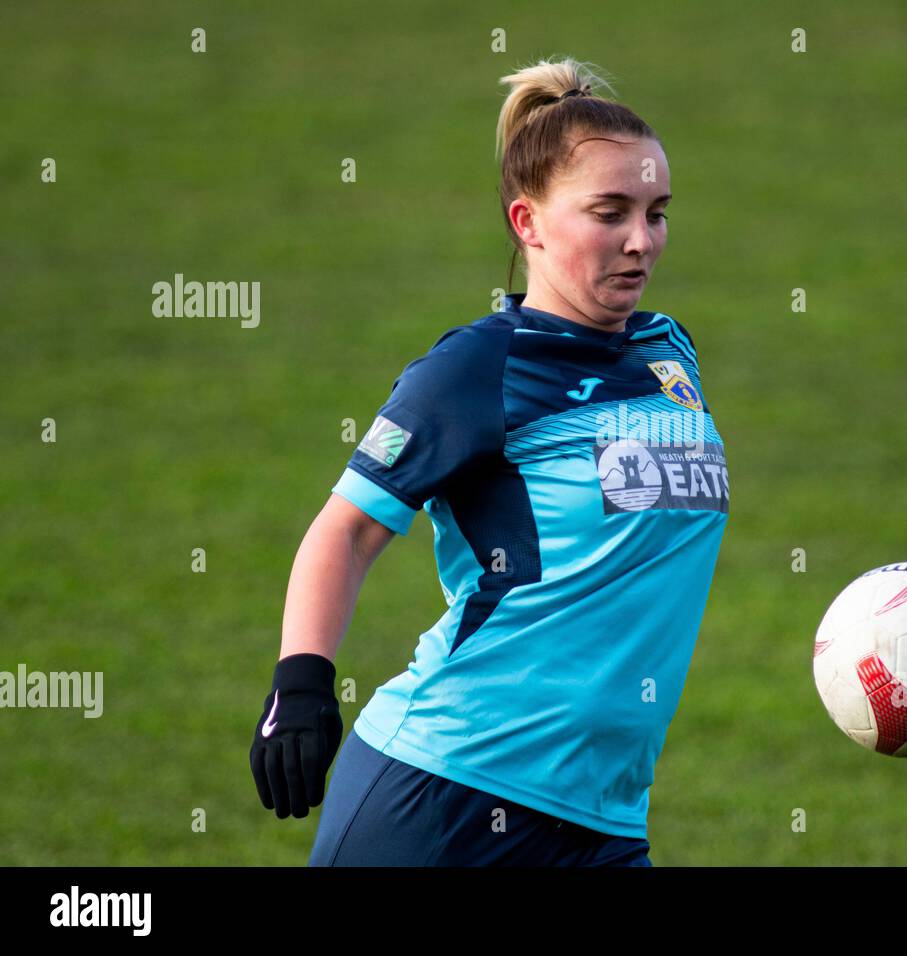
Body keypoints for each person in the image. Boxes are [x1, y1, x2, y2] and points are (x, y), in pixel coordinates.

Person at [249, 56, 729, 866]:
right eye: (609, 213)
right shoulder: (477, 370)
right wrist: (300, 686)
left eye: (657, 212)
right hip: (445, 794)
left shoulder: (667, 354)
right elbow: (349, 530)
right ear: (528, 222)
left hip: (604, 814)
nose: (641, 242)